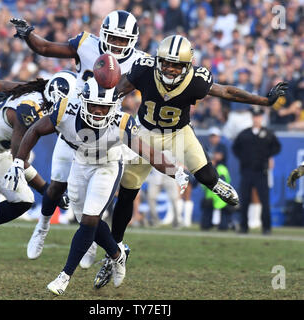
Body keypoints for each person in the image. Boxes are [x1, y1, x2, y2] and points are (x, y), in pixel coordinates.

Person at [94, 34, 288, 288]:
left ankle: (217, 185)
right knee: (127, 195)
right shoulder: (144, 70)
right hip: (143, 133)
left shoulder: (196, 80)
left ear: (187, 66)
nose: (170, 68)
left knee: (206, 175)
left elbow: (227, 91)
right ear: (158, 60)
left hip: (178, 132)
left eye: (176, 65)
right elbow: (118, 90)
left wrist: (264, 101)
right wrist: (101, 103)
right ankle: (115, 251)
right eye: (166, 63)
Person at [3, 77, 190, 295]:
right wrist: (18, 161)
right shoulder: (67, 110)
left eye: (104, 107)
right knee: (86, 220)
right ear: (83, 102)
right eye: (94, 105)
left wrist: (174, 171)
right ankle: (117, 254)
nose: (99, 111)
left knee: (90, 220)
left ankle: (64, 277)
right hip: (80, 164)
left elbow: (147, 152)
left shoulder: (121, 123)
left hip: (107, 166)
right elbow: (34, 130)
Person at [10, 10, 147, 267]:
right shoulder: (86, 44)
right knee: (56, 186)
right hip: (73, 121)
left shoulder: (141, 62)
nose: (116, 44)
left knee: (96, 200)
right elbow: (47, 48)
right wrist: (28, 35)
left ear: (132, 41)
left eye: (122, 40)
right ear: (103, 35)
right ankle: (42, 226)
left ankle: (92, 243)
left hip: (106, 134)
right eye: (112, 38)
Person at [0, 71, 75, 289]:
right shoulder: (30, 110)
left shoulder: (41, 93)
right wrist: (47, 189)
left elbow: (1, 83)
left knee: (22, 201)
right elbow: (18, 158)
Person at [232, 106, 281, 235]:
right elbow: (235, 148)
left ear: (262, 118)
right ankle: (244, 226)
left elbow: (277, 147)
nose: (256, 119)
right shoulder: (244, 134)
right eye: (254, 117)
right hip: (247, 171)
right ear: (252, 118)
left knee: (264, 200)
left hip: (261, 172)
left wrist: (269, 157)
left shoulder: (268, 134)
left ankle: (266, 227)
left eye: (259, 117)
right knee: (245, 199)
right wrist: (243, 159)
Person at [200, 127, 232, 231]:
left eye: (215, 136)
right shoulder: (206, 146)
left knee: (221, 199)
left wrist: (210, 158)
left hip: (220, 174)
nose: (213, 138)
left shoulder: (221, 146)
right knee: (208, 200)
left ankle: (224, 223)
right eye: (212, 136)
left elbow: (218, 157)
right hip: (209, 173)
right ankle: (208, 222)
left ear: (219, 137)